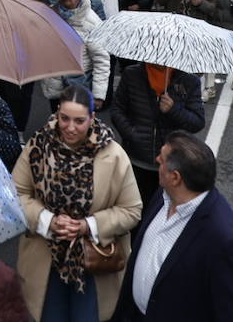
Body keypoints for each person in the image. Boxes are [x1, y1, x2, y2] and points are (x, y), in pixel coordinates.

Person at [13, 84, 143, 322]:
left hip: (94, 266)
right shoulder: (37, 147)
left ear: (93, 118)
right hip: (46, 261)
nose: (70, 128)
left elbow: (131, 210)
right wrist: (48, 221)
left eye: (79, 121)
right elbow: (16, 194)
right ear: (57, 113)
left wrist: (88, 226)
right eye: (64, 118)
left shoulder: (114, 155)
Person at [114, 132, 233, 322]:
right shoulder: (163, 195)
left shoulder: (226, 241)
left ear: (175, 177)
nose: (157, 160)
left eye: (162, 159)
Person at [109, 63, 205, 206]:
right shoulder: (132, 74)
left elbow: (197, 122)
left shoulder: (189, 81)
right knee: (134, 211)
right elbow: (117, 110)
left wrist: (174, 109)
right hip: (136, 160)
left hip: (171, 165)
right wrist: (131, 134)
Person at [42, 0, 111, 108]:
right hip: (55, 81)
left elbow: (101, 60)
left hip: (80, 84)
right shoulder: (50, 15)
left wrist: (98, 95)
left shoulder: (91, 22)